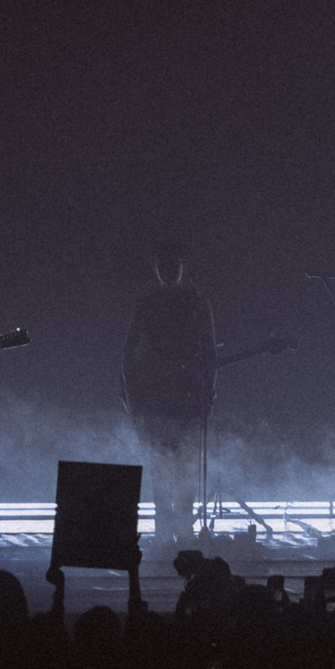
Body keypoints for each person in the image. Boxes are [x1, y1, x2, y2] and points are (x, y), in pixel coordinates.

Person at [121, 239, 217, 557]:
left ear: (179, 268)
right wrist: (133, 393)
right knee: (167, 467)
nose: (168, 272)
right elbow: (209, 352)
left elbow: (208, 351)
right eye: (164, 266)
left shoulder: (190, 303)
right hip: (163, 397)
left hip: (177, 396)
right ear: (157, 269)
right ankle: (170, 532)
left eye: (171, 266)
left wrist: (207, 392)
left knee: (179, 467)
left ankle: (177, 532)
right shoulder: (170, 302)